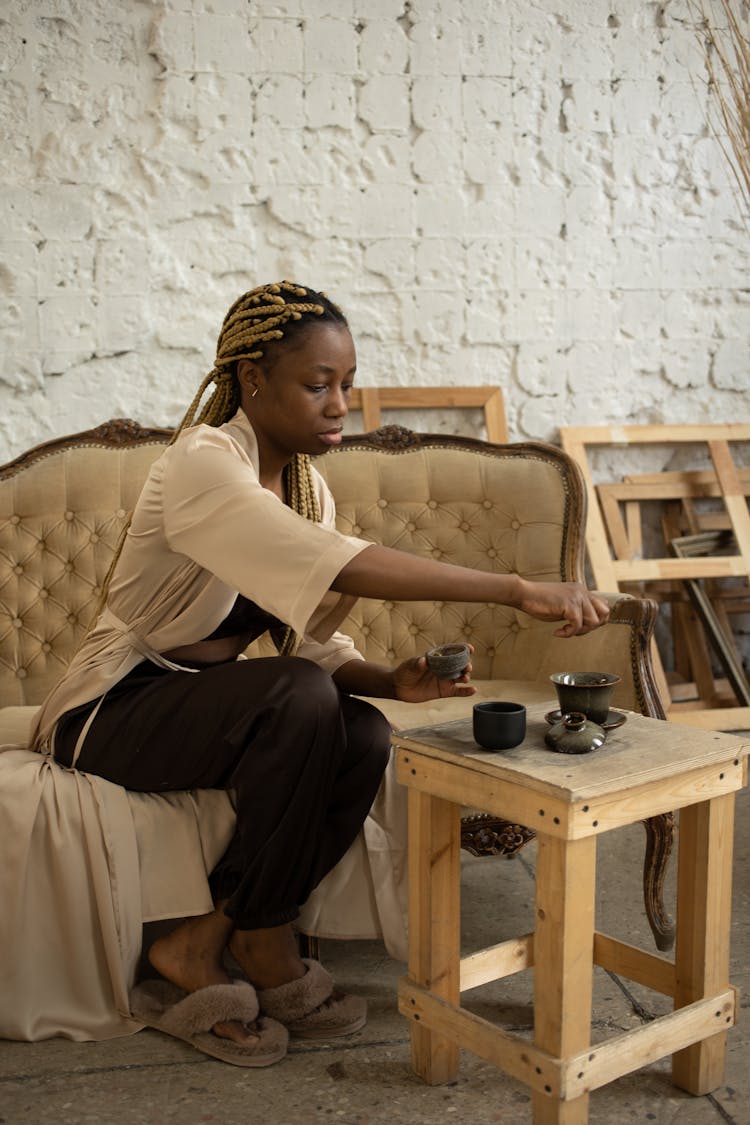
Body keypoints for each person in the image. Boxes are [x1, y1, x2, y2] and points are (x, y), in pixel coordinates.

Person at [29, 281, 610, 1067]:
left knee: (362, 731)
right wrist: (512, 587)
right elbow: (338, 569)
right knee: (302, 699)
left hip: (192, 706)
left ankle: (210, 938)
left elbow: (306, 644)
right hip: (111, 707)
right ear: (252, 382)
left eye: (347, 383)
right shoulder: (204, 463)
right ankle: (264, 942)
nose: (340, 405)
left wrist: (387, 681)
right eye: (316, 385)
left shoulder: (306, 486)